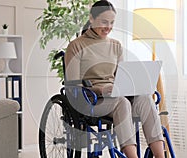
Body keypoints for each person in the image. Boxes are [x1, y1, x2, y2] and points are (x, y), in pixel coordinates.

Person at [64, 1, 165, 157]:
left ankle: (160, 156)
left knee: (145, 99)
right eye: (104, 22)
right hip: (91, 100)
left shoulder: (116, 45)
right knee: (121, 102)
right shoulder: (76, 46)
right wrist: (101, 89)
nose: (108, 27)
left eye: (112, 22)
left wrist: (134, 85)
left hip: (116, 94)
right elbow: (73, 86)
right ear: (91, 19)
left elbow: (121, 76)